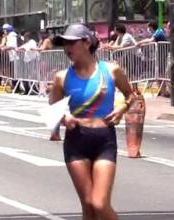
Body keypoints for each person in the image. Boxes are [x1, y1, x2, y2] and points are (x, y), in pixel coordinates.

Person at [50, 24, 135, 220]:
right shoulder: (61, 77)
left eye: (71, 43)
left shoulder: (111, 71)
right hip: (76, 141)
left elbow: (132, 96)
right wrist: (64, 118)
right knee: (88, 206)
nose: (67, 49)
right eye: (64, 44)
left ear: (87, 42)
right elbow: (53, 108)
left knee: (99, 203)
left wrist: (122, 108)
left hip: (104, 140)